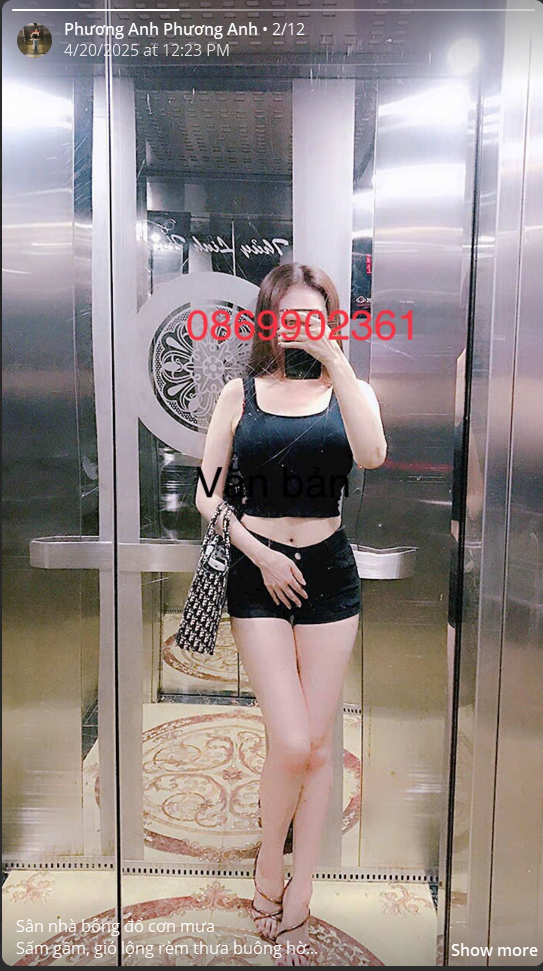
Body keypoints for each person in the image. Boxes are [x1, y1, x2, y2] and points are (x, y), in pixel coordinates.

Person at [195, 263, 387, 965]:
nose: (299, 327)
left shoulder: (348, 389)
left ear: (329, 319)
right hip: (258, 574)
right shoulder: (238, 394)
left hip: (329, 575)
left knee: (317, 744)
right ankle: (266, 863)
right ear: (268, 320)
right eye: (288, 315)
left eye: (313, 315)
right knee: (293, 737)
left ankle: (299, 882)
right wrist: (259, 551)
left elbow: (372, 454)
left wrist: (339, 363)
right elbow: (207, 495)